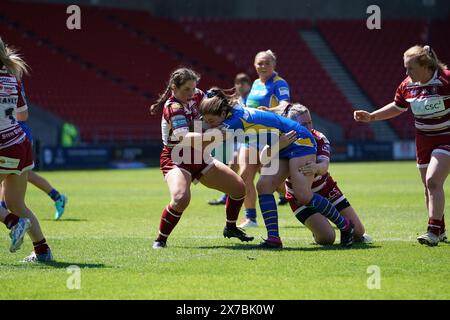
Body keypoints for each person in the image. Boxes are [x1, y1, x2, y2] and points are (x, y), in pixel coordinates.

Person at [199, 88, 355, 248]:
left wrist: (178, 140)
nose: (209, 124)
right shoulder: (231, 114)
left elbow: (207, 138)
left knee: (303, 194)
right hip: (280, 144)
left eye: (211, 120)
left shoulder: (235, 120)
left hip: (297, 138)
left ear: (223, 113)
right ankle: (274, 239)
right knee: (264, 185)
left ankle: (345, 226)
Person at [354, 45, 449, 246]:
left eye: (410, 68)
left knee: (433, 181)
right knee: (428, 187)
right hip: (423, 139)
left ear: (425, 66)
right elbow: (398, 107)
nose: (406, 73)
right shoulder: (408, 85)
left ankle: (432, 231)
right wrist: (372, 117)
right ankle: (440, 230)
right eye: (405, 68)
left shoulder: (446, 79)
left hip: (446, 137)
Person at [149, 68, 254, 249]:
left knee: (238, 188)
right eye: (186, 90)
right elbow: (185, 138)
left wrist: (235, 108)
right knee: (181, 198)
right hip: (177, 157)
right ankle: (160, 240)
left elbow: (217, 109)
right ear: (174, 87)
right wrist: (215, 134)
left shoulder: (197, 95)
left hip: (199, 154)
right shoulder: (173, 107)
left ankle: (230, 228)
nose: (191, 93)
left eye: (193, 88)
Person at [285, 104, 371, 244]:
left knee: (358, 232)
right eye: (303, 124)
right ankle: (317, 230)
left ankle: (342, 227)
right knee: (327, 238)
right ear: (292, 124)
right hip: (299, 197)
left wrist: (315, 168)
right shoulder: (285, 140)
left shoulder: (319, 138)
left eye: (310, 122)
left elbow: (324, 166)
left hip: (326, 189)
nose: (308, 127)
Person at [0, 37, 53, 261]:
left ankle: (13, 223)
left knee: (14, 209)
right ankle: (42, 251)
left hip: (3, 144)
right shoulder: (12, 76)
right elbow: (23, 115)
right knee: (16, 203)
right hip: (20, 143)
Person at [0, 83, 68, 220]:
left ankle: (57, 197)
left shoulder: (9, 80)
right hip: (16, 131)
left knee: (19, 173)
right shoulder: (12, 78)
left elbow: (20, 113)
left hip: (14, 132)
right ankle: (57, 197)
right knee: (13, 173)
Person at [239, 50, 291, 228]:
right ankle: (250, 218)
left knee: (273, 182)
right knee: (245, 175)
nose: (262, 66)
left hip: (270, 137)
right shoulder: (254, 83)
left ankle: (306, 201)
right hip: (251, 136)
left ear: (274, 65)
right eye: (259, 63)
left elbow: (285, 105)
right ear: (254, 64)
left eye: (266, 63)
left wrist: (270, 111)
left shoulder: (279, 83)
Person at [208, 72, 252, 206]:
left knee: (260, 171)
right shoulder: (238, 100)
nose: (239, 86)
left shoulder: (253, 98)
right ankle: (226, 195)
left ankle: (285, 193)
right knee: (234, 165)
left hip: (255, 138)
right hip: (244, 139)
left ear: (249, 85)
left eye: (242, 83)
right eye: (237, 83)